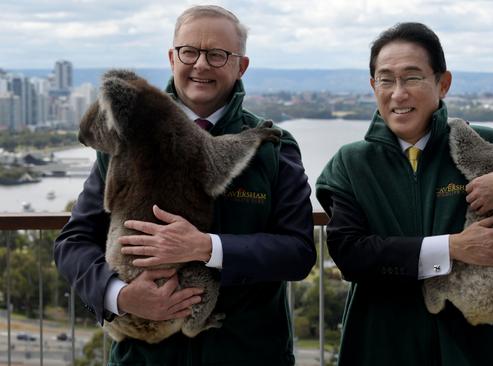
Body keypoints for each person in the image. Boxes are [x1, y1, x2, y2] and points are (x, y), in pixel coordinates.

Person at [54, 5, 315, 365]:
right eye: (189, 51)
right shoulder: (123, 139)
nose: (201, 64)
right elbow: (73, 242)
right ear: (172, 58)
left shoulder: (273, 147)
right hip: (143, 358)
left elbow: (298, 253)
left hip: (248, 352)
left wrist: (208, 248)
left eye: (217, 54)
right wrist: (119, 295)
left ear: (241, 66)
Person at [316, 22, 493, 366]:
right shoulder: (351, 163)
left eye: (412, 77)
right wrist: (453, 248)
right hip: (381, 344)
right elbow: (350, 255)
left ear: (443, 83)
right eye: (386, 79)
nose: (398, 93)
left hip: (479, 350)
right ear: (372, 85)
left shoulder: (491, 145)